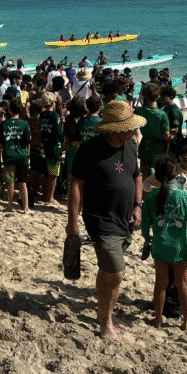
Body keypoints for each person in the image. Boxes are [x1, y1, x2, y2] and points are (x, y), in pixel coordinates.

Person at [66, 100, 145, 341]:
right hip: (99, 218)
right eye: (130, 127)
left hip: (124, 219)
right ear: (115, 129)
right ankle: (105, 324)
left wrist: (138, 206)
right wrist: (73, 222)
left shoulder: (130, 146)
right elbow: (75, 184)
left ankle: (106, 314)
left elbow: (137, 177)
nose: (134, 131)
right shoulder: (89, 150)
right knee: (117, 271)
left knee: (109, 271)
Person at [140, 156, 187, 330]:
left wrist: (146, 238)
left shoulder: (151, 196)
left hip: (159, 245)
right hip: (180, 247)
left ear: (157, 177)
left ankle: (158, 320)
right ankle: (186, 322)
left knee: (160, 284)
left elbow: (145, 225)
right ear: (176, 175)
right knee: (183, 284)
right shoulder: (184, 197)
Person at [0, 97, 31, 215]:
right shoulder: (24, 123)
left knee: (10, 182)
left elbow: (1, 140)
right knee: (22, 182)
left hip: (8, 155)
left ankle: (10, 206)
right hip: (21, 155)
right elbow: (27, 140)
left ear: (10, 110)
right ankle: (25, 208)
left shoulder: (4, 124)